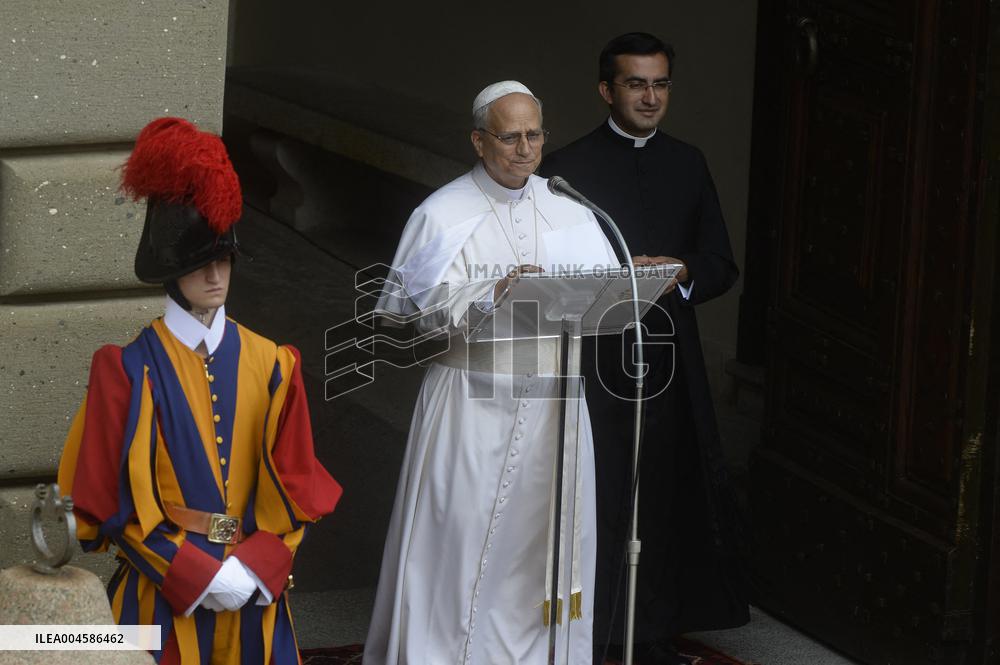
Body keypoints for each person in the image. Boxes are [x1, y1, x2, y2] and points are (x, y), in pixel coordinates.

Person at [57, 117, 343, 664]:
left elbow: (295, 489)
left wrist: (252, 569)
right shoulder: (129, 370)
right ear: (171, 270)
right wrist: (194, 575)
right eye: (198, 263)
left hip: (256, 598)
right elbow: (111, 504)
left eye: (222, 260)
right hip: (160, 602)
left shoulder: (274, 364)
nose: (215, 275)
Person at [363, 81, 619, 665]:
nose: (526, 148)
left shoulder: (569, 208)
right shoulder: (441, 212)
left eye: (535, 135)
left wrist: (631, 278)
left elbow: (603, 299)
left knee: (543, 545)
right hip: (470, 398)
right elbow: (405, 315)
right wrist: (490, 291)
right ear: (479, 141)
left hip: (555, 401)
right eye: (510, 136)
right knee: (457, 537)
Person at [540, 32, 749, 665]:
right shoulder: (567, 170)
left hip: (669, 357)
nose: (651, 97)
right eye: (636, 84)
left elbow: (721, 262)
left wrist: (682, 271)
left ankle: (651, 629)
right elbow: (544, 269)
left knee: (660, 489)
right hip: (597, 355)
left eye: (660, 84)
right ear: (608, 90)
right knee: (597, 487)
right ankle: (589, 631)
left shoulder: (688, 162)